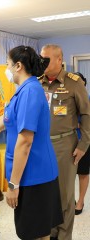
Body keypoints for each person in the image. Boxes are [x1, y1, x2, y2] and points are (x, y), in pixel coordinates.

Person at [0, 45, 63, 240]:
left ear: (18, 66)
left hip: (34, 176)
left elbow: (25, 142)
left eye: (7, 64)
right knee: (36, 232)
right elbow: (3, 119)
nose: (6, 69)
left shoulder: (30, 92)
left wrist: (13, 185)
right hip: (30, 174)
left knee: (34, 234)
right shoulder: (23, 91)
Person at [40, 44, 90, 240]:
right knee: (46, 192)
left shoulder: (74, 83)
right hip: (41, 145)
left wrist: (83, 144)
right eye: (41, 58)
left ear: (60, 60)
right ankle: (51, 232)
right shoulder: (37, 82)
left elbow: (86, 115)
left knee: (64, 196)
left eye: (47, 59)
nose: (42, 62)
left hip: (64, 146)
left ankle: (63, 236)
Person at [73, 72, 90, 215]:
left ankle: (80, 201)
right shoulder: (65, 99)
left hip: (84, 142)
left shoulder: (88, 99)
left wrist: (77, 124)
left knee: (83, 172)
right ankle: (69, 199)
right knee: (67, 173)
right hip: (67, 141)